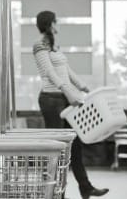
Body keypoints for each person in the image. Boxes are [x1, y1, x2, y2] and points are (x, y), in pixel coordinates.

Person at [33, 11, 109, 199]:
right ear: (50, 24)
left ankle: (85, 187)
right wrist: (68, 91)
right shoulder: (39, 45)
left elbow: (66, 70)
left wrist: (83, 87)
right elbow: (50, 72)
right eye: (55, 21)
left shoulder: (54, 46)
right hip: (51, 100)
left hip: (63, 99)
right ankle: (54, 192)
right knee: (57, 149)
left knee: (74, 145)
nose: (58, 24)